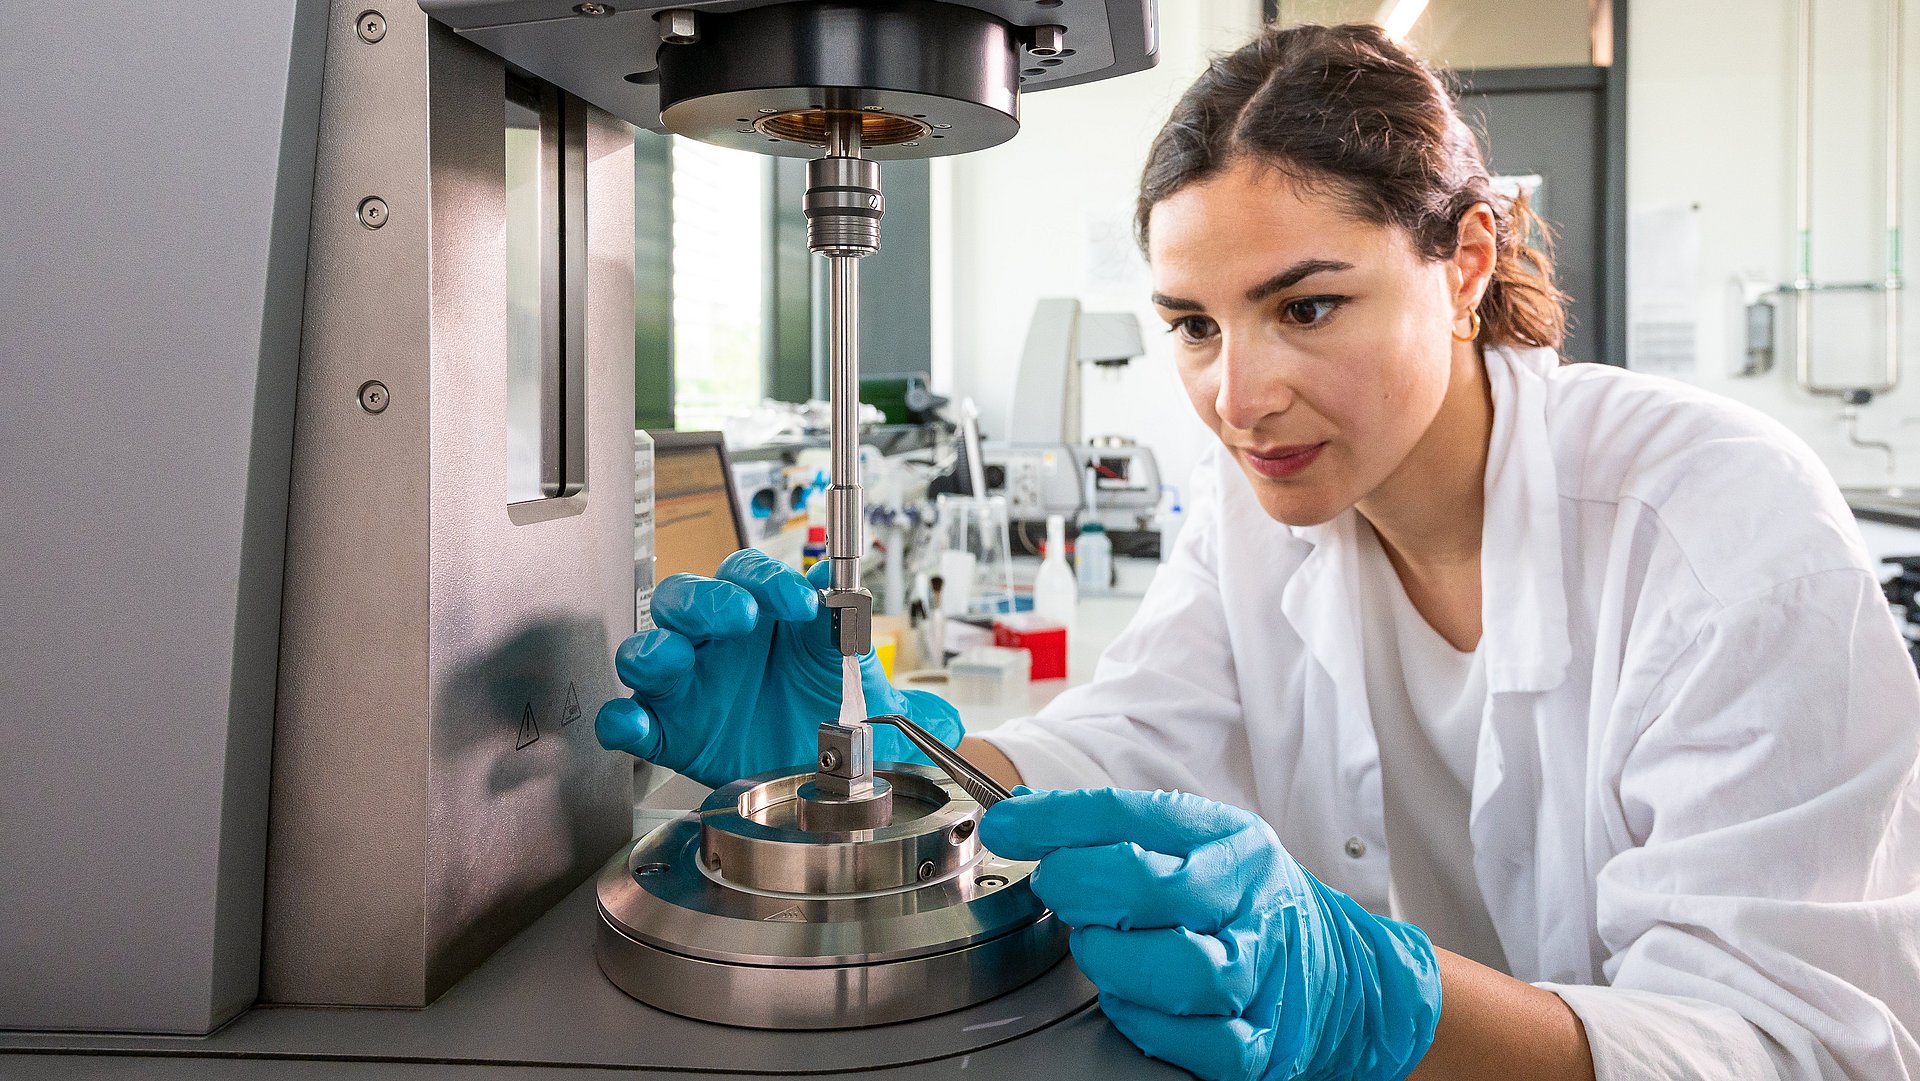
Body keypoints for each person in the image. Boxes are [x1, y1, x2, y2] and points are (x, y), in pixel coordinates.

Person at [596, 23, 1920, 1081]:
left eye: (1310, 306)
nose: (1239, 397)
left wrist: (1376, 1001)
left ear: (1467, 263)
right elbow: (1138, 735)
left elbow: (1791, 1047)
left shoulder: (1719, 531)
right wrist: (882, 773)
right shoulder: (1262, 508)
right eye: (1195, 325)